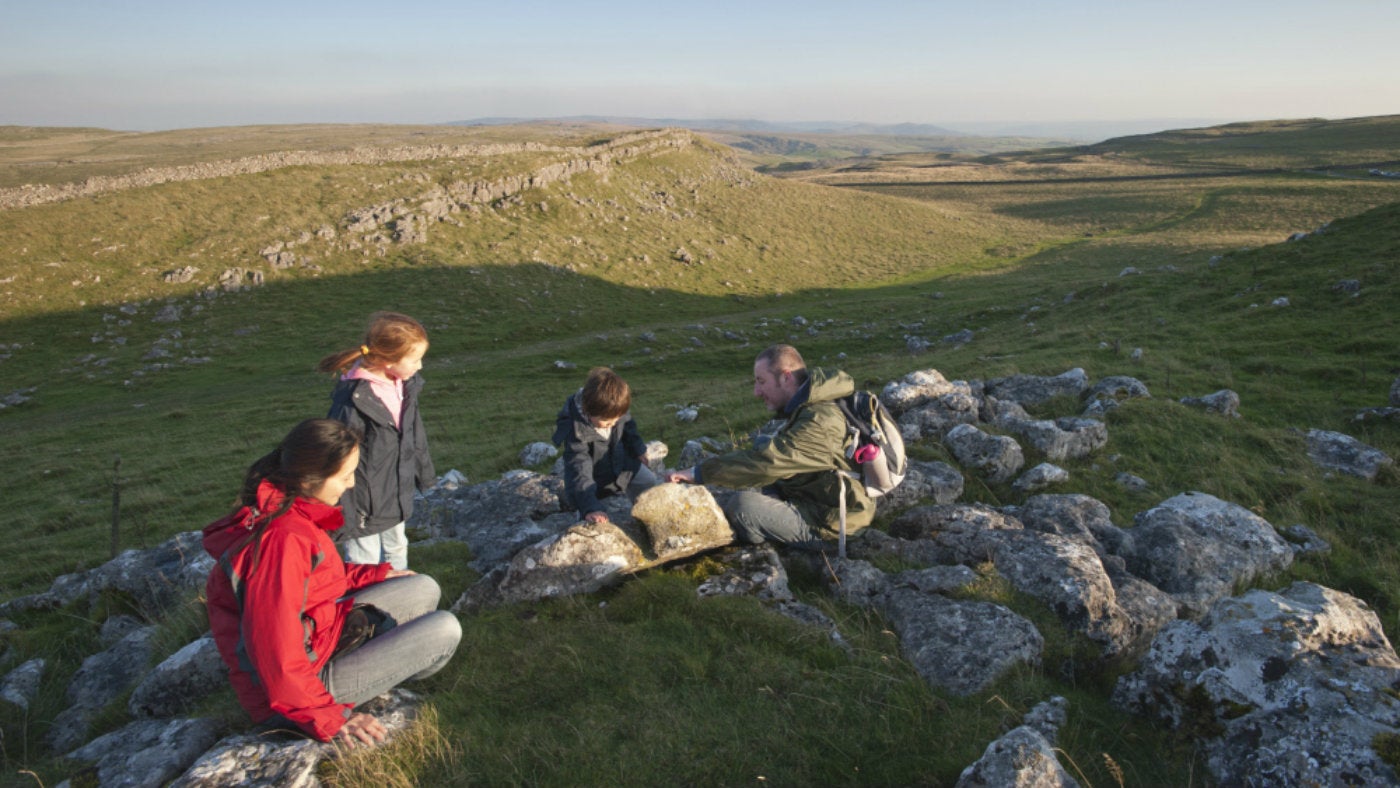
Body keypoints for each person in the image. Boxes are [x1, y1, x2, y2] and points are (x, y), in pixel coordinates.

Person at [203, 418, 462, 749]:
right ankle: (389, 672)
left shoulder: (290, 512)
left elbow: (315, 579)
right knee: (445, 629)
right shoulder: (282, 540)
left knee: (423, 587)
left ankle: (383, 661)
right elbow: (274, 649)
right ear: (312, 477)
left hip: (319, 643)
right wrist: (329, 718)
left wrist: (376, 574)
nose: (351, 484)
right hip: (288, 696)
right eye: (344, 476)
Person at [666, 344, 872, 545]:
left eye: (761, 381)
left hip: (833, 521)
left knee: (744, 506)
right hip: (817, 496)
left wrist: (698, 473)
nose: (756, 392)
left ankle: (765, 538)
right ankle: (775, 509)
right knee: (763, 442)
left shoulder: (820, 421)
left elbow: (768, 462)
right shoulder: (812, 407)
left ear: (786, 376)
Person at [320, 312, 435, 570]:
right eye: (415, 360)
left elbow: (415, 434)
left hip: (394, 490)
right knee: (365, 556)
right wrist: (339, 501)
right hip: (362, 499)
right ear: (388, 360)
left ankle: (403, 595)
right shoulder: (354, 400)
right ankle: (366, 605)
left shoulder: (405, 387)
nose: (420, 367)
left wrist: (424, 475)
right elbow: (338, 454)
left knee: (397, 545)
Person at [552, 367, 658, 523]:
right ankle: (586, 510)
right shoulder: (575, 431)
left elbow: (628, 426)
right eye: (607, 422)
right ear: (588, 411)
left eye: (616, 419)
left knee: (648, 480)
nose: (612, 424)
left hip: (622, 464)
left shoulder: (615, 408)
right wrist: (591, 507)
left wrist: (638, 449)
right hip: (594, 478)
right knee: (589, 511)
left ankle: (645, 517)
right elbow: (579, 468)